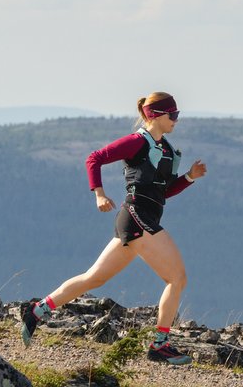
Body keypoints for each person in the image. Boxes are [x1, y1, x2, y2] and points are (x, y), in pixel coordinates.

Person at [19, 92, 207, 365]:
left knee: (94, 278)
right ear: (155, 115)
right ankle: (160, 345)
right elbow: (94, 158)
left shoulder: (165, 148)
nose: (176, 120)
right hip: (138, 218)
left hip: (137, 219)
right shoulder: (135, 143)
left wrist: (189, 177)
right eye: (173, 115)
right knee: (177, 279)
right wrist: (99, 194)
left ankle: (37, 310)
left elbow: (163, 192)